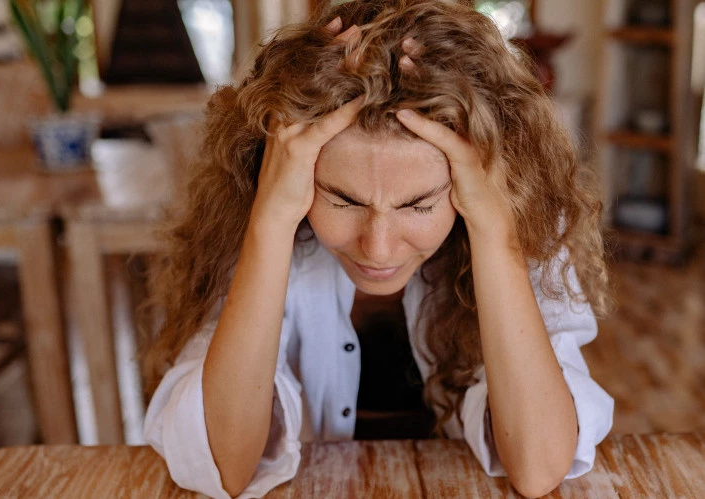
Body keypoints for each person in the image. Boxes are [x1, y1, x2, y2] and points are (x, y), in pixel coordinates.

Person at [142, 1, 614, 498]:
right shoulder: (252, 219)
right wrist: (271, 218)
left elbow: (539, 468)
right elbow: (223, 468)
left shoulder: (520, 222)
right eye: (344, 200)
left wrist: (496, 234)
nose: (379, 249)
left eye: (418, 204)